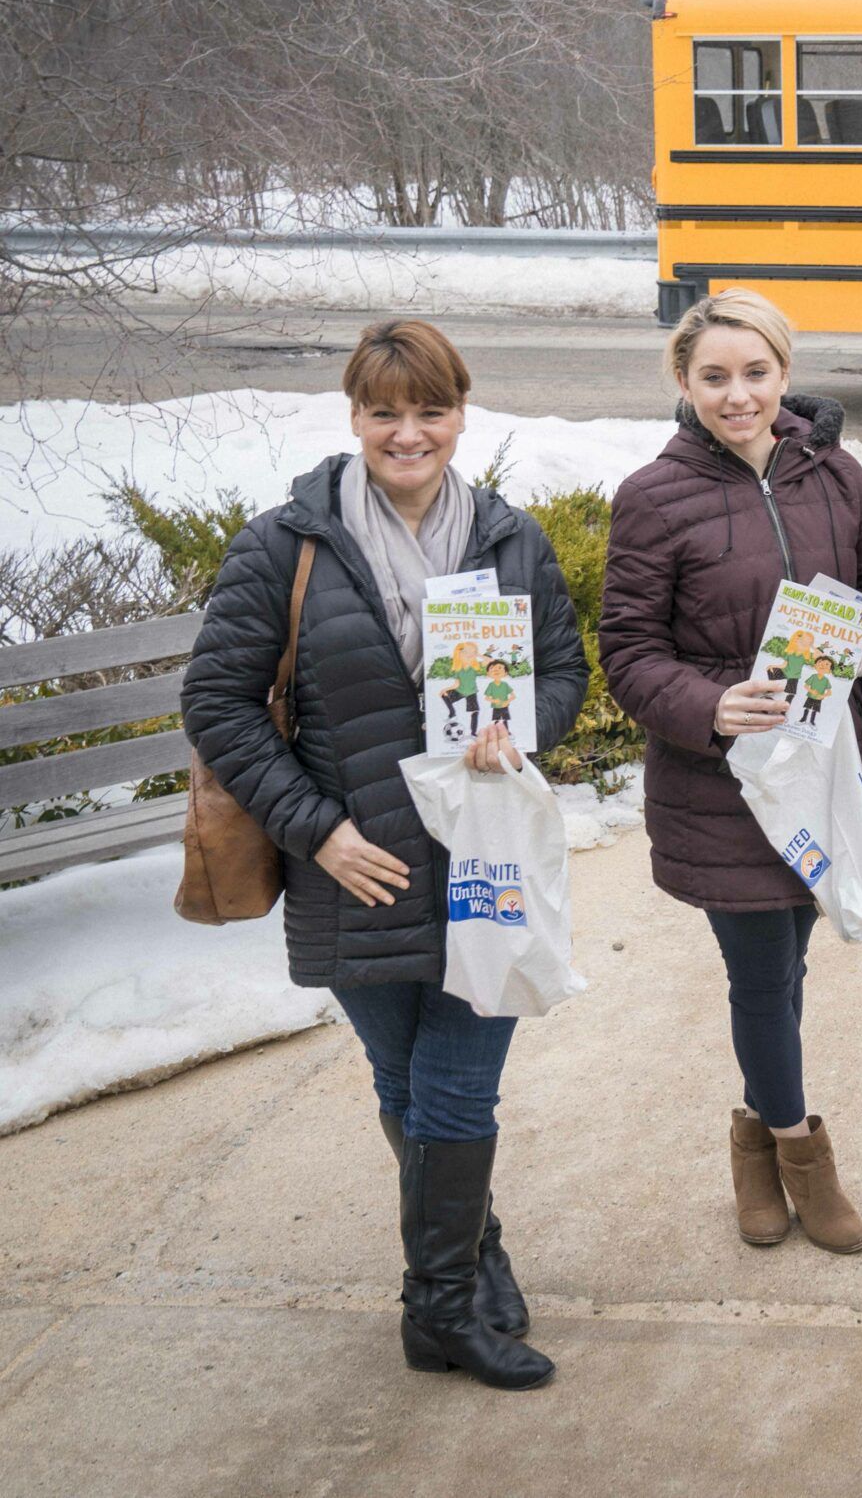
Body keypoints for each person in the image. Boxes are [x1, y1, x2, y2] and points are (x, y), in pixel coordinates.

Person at [182, 318, 589, 1392]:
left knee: (457, 1093)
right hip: (355, 867)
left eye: (431, 411)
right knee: (405, 1082)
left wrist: (524, 729)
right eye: (385, 412)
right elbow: (216, 703)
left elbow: (562, 669)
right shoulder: (288, 546)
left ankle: (440, 1310)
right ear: (354, 417)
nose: (409, 434)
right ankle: (475, 1260)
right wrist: (318, 830)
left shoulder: (510, 536)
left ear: (461, 414)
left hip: (482, 859)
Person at [600, 287, 862, 1256]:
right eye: (715, 377)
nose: (739, 396)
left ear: (784, 373)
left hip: (823, 772)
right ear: (685, 383)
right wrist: (709, 708)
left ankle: (752, 1146)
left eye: (756, 373)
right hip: (724, 784)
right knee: (763, 976)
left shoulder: (835, 475)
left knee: (789, 964)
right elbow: (630, 649)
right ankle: (800, 1152)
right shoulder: (654, 496)